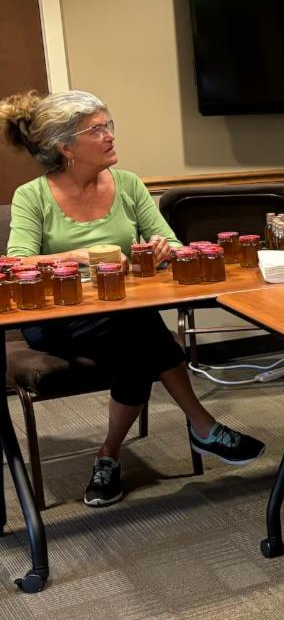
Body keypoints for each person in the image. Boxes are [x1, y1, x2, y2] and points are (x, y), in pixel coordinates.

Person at [1, 90, 265, 507]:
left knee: (135, 337)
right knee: (141, 329)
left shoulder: (128, 184)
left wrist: (162, 249)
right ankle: (203, 426)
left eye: (108, 125)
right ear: (66, 147)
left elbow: (173, 246)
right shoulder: (32, 195)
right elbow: (16, 265)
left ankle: (108, 454)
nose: (110, 136)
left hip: (122, 313)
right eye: (96, 130)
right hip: (57, 320)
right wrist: (78, 256)